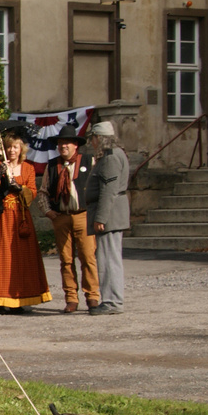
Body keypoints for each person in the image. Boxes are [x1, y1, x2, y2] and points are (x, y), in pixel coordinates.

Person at [0, 133, 52, 311]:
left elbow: (33, 193)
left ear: (21, 150)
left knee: (19, 259)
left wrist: (20, 188)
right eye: (9, 147)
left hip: (20, 217)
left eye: (15, 147)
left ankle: (19, 299)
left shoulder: (27, 168)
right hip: (0, 216)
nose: (12, 150)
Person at [43, 124, 99, 314]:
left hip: (83, 215)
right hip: (61, 216)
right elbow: (43, 192)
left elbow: (97, 188)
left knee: (88, 258)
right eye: (60, 143)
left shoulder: (89, 161)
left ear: (76, 144)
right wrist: (48, 212)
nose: (63, 146)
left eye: (66, 142)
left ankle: (92, 296)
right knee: (66, 261)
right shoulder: (52, 165)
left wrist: (96, 213)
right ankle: (71, 298)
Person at [85, 120, 130, 315]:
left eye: (92, 139)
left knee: (108, 259)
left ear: (99, 138)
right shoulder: (112, 155)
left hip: (110, 214)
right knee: (108, 257)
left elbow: (108, 190)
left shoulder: (110, 158)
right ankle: (111, 300)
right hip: (111, 213)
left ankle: (112, 301)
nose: (91, 143)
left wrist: (101, 218)